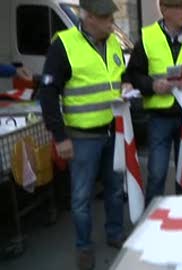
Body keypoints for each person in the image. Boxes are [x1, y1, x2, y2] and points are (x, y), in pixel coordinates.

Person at [39, 0, 129, 269]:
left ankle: (115, 234)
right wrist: (60, 136)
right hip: (81, 137)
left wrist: (126, 83)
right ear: (88, 17)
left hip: (113, 131)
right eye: (105, 18)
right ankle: (83, 247)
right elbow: (48, 93)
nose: (111, 23)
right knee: (81, 197)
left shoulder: (112, 42)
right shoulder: (63, 46)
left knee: (114, 190)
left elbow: (118, 74)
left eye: (112, 17)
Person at [125, 0, 182, 204]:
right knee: (157, 173)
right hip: (160, 118)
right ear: (164, 10)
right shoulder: (148, 37)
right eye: (179, 7)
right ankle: (150, 222)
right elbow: (133, 74)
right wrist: (152, 85)